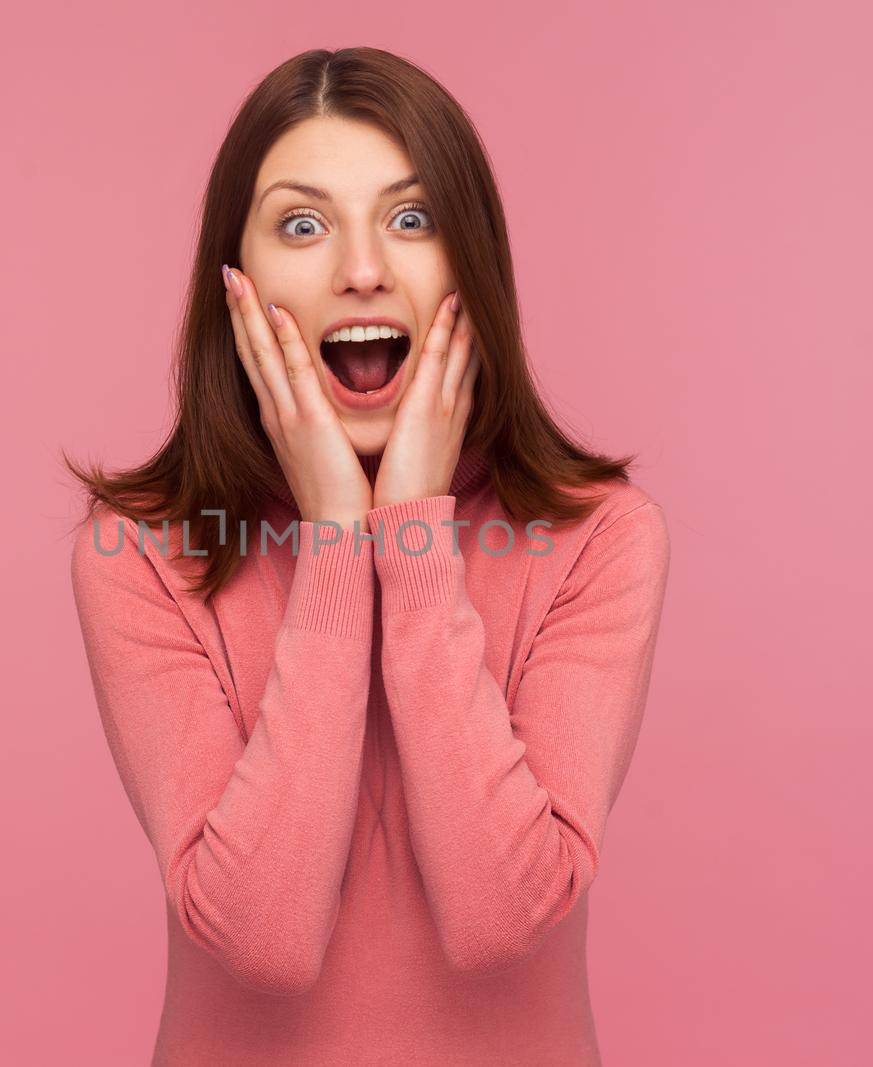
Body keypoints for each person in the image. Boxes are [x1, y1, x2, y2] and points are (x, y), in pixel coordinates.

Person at [65, 46, 671, 1067]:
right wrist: (338, 543)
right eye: (302, 224)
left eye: (411, 217)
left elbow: (500, 918)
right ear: (238, 280)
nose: (360, 267)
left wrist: (414, 540)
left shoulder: (597, 536)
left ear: (473, 259)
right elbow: (263, 938)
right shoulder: (142, 552)